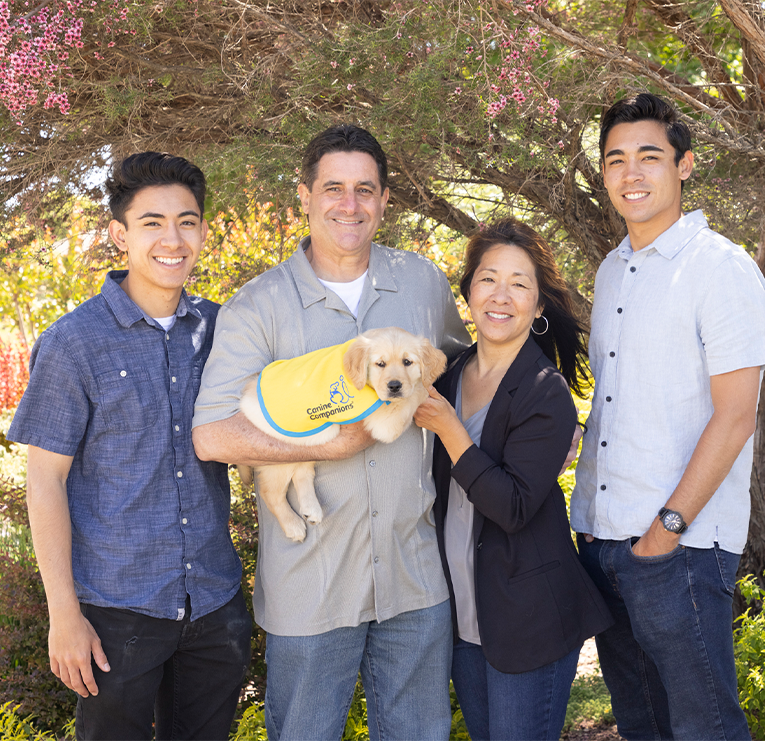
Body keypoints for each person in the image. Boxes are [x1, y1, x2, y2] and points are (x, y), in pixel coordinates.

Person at [191, 124, 472, 740]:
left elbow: (464, 370)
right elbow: (212, 435)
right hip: (310, 585)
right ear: (305, 195)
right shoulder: (257, 305)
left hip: (413, 577)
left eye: (365, 190)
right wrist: (326, 446)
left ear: (385, 200)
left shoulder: (423, 284)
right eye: (334, 188)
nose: (351, 205)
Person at [7, 153, 252, 740]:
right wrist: (63, 615)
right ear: (119, 234)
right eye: (152, 223)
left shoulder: (225, 331)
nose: (173, 239)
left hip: (215, 604)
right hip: (117, 612)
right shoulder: (73, 344)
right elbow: (44, 480)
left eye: (187, 221)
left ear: (202, 230)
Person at [570, 93, 765, 740]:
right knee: (643, 728)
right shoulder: (610, 273)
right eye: (615, 159)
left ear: (683, 165)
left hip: (677, 550)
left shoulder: (720, 267)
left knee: (704, 729)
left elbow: (736, 415)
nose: (630, 173)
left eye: (648, 156)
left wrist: (663, 532)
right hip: (602, 546)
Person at [413, 217, 613, 740]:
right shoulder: (447, 375)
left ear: (540, 306)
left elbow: (513, 507)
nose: (501, 296)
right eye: (488, 278)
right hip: (461, 617)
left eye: (520, 284)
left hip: (527, 619)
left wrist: (451, 429)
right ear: (469, 290)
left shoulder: (545, 392)